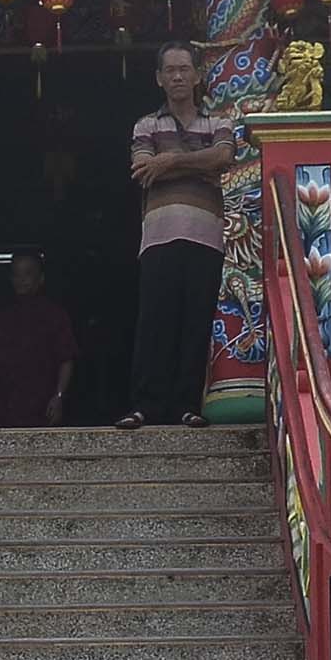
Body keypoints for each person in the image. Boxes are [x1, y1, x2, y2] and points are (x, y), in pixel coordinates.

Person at [121, 42, 241, 429]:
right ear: (159, 78)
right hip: (159, 235)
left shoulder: (218, 121)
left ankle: (187, 405)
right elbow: (141, 169)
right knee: (154, 322)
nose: (177, 76)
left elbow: (222, 158)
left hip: (206, 236)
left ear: (197, 75)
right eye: (169, 70)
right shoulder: (145, 124)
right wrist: (196, 166)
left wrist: (169, 161)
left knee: (195, 322)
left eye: (183, 69)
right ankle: (145, 406)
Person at [0, 249, 76, 428]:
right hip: (5, 411)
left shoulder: (55, 316)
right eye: (16, 274)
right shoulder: (1, 320)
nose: (21, 280)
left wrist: (59, 397)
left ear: (41, 278)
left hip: (43, 409)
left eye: (28, 274)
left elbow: (66, 359)